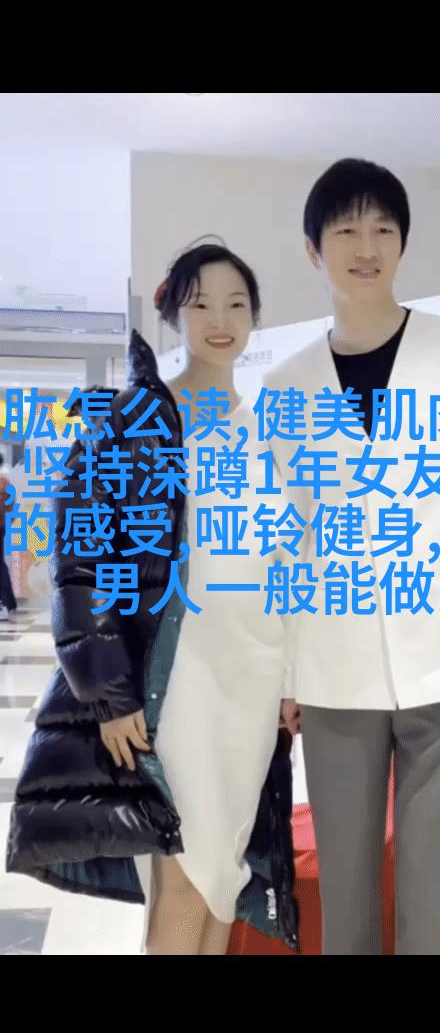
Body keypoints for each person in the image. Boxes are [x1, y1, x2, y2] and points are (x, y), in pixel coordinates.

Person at [269, 158, 440, 955]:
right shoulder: (287, 383)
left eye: (383, 228)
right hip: (333, 665)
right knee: (345, 888)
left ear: (403, 243)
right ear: (314, 249)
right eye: (346, 229)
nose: (366, 246)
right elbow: (288, 539)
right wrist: (287, 673)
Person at [6, 242, 298, 955]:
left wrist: (293, 677)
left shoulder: (269, 428)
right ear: (173, 315)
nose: (220, 320)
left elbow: (290, 561)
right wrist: (109, 695)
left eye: (236, 304)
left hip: (253, 679)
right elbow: (82, 564)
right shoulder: (130, 421)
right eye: (201, 304)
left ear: (255, 316)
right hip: (178, 676)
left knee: (226, 870)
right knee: (185, 871)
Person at [0, 450, 18, 622]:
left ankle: (8, 603)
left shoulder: (2, 484)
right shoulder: (6, 483)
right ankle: (8, 602)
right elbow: (12, 507)